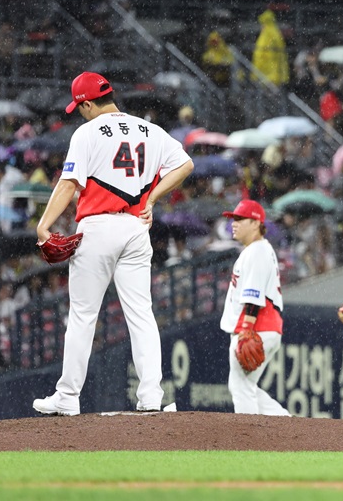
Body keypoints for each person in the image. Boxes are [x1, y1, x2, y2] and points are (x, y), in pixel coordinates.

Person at [32, 71, 194, 416]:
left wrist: (44, 225)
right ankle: (151, 396)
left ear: (88, 103)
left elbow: (67, 184)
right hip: (136, 229)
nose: (80, 112)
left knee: (83, 316)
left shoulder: (87, 132)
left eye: (80, 107)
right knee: (141, 315)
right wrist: (151, 199)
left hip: (99, 227)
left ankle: (68, 397)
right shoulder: (149, 129)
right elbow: (185, 164)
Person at [218, 199, 290, 415]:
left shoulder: (257, 250)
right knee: (244, 385)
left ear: (256, 223)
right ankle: (286, 424)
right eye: (233, 219)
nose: (234, 223)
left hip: (257, 327)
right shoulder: (258, 250)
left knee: (241, 387)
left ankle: (247, 438)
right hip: (265, 327)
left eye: (239, 219)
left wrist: (247, 329)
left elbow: (253, 294)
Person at [251, 9, 288, 87]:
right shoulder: (276, 32)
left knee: (268, 91)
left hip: (268, 70)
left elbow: (261, 53)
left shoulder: (268, 34)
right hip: (275, 71)